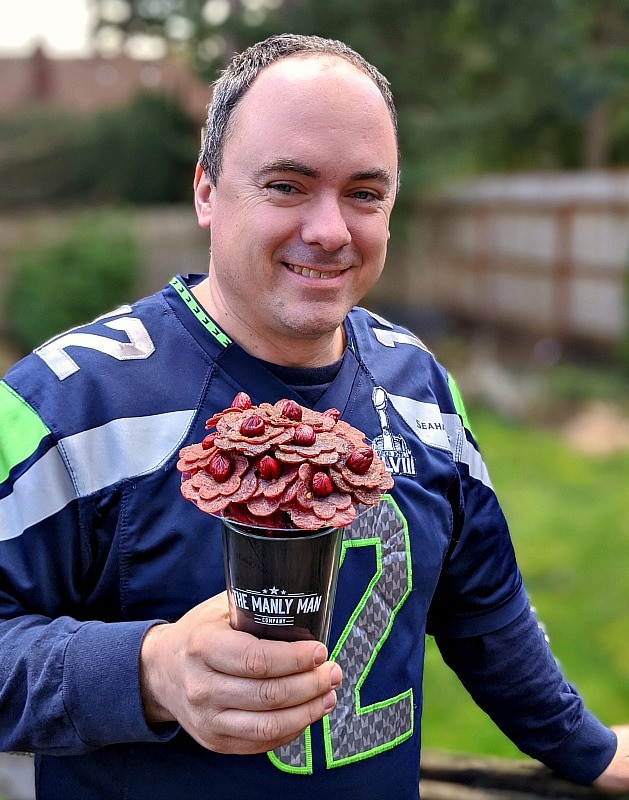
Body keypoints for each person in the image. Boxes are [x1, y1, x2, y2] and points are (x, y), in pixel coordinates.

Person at [0, 32, 628, 800]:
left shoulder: (418, 387)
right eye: (287, 186)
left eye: (364, 193)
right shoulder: (66, 403)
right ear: (205, 189)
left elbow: (481, 606)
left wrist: (585, 748)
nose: (330, 230)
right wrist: (149, 670)